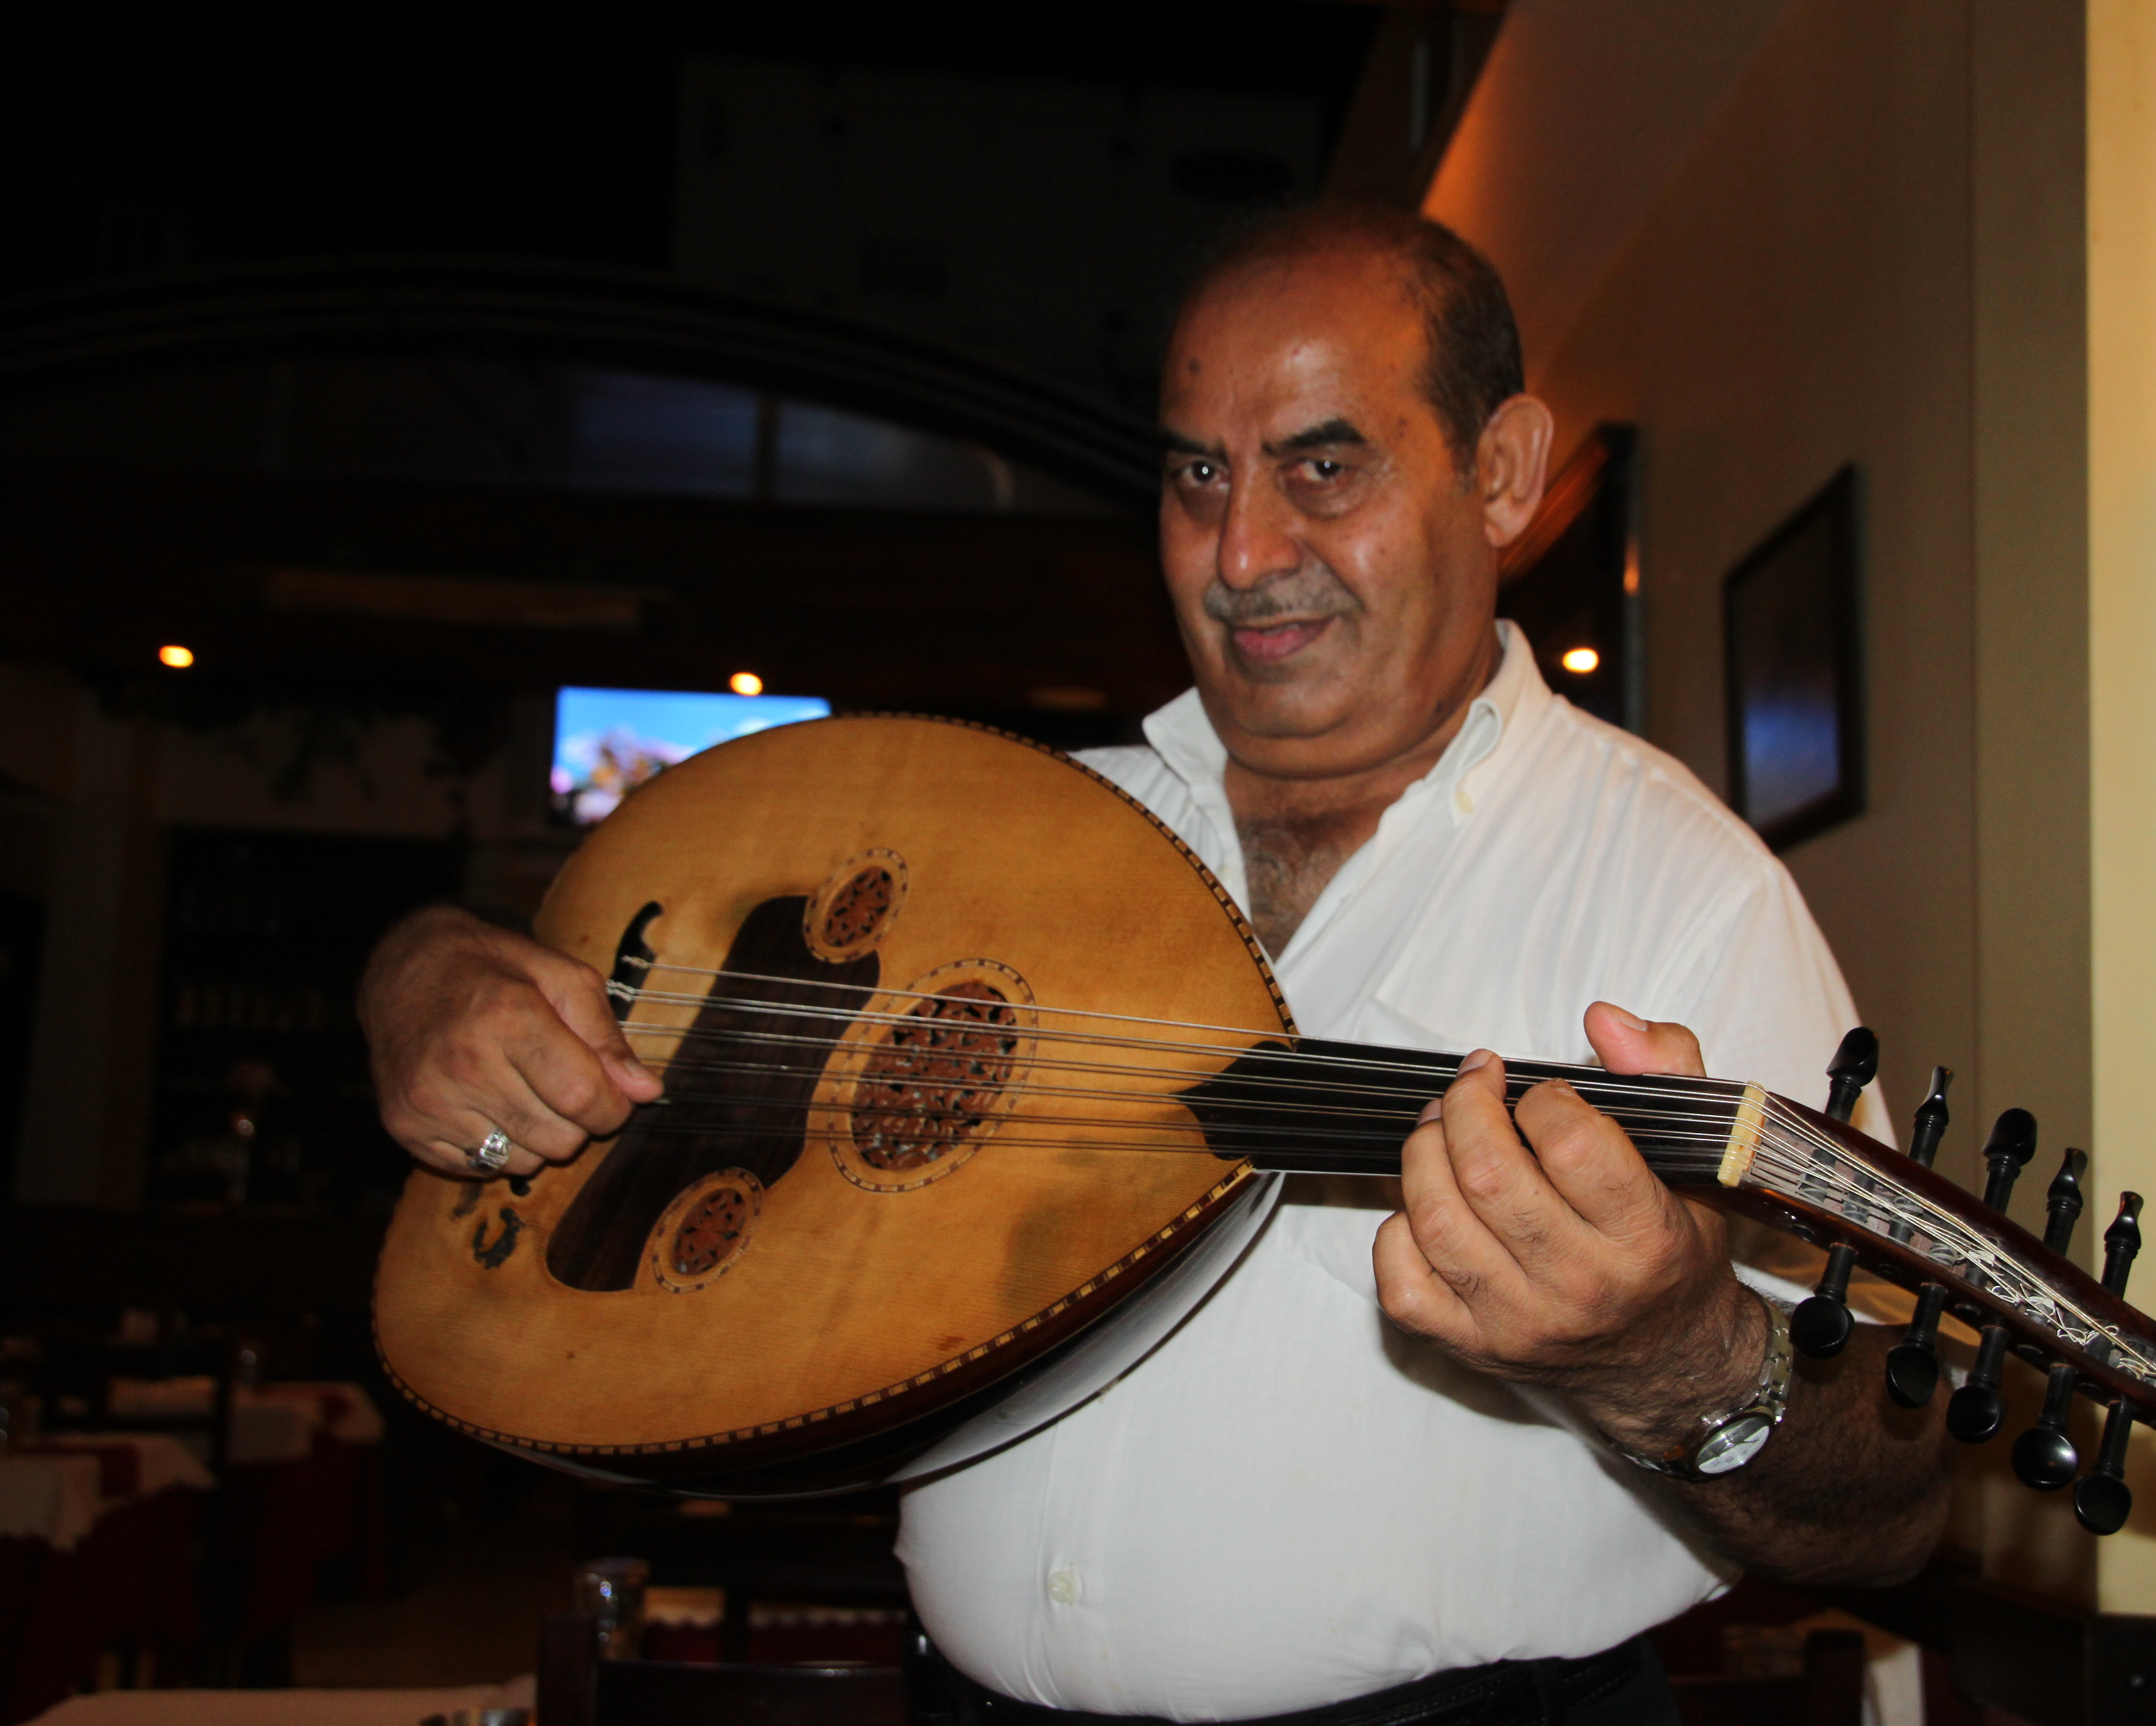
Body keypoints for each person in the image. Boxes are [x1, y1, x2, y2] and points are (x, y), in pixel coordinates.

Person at [361, 203, 1951, 1726]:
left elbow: (1897, 1498)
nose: (1243, 549)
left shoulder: (1681, 895)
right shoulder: (1037, 831)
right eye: (1199, 474)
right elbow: (610, 996)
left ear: (1506, 472)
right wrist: (426, 971)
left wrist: (1677, 1354)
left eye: (1324, 466)